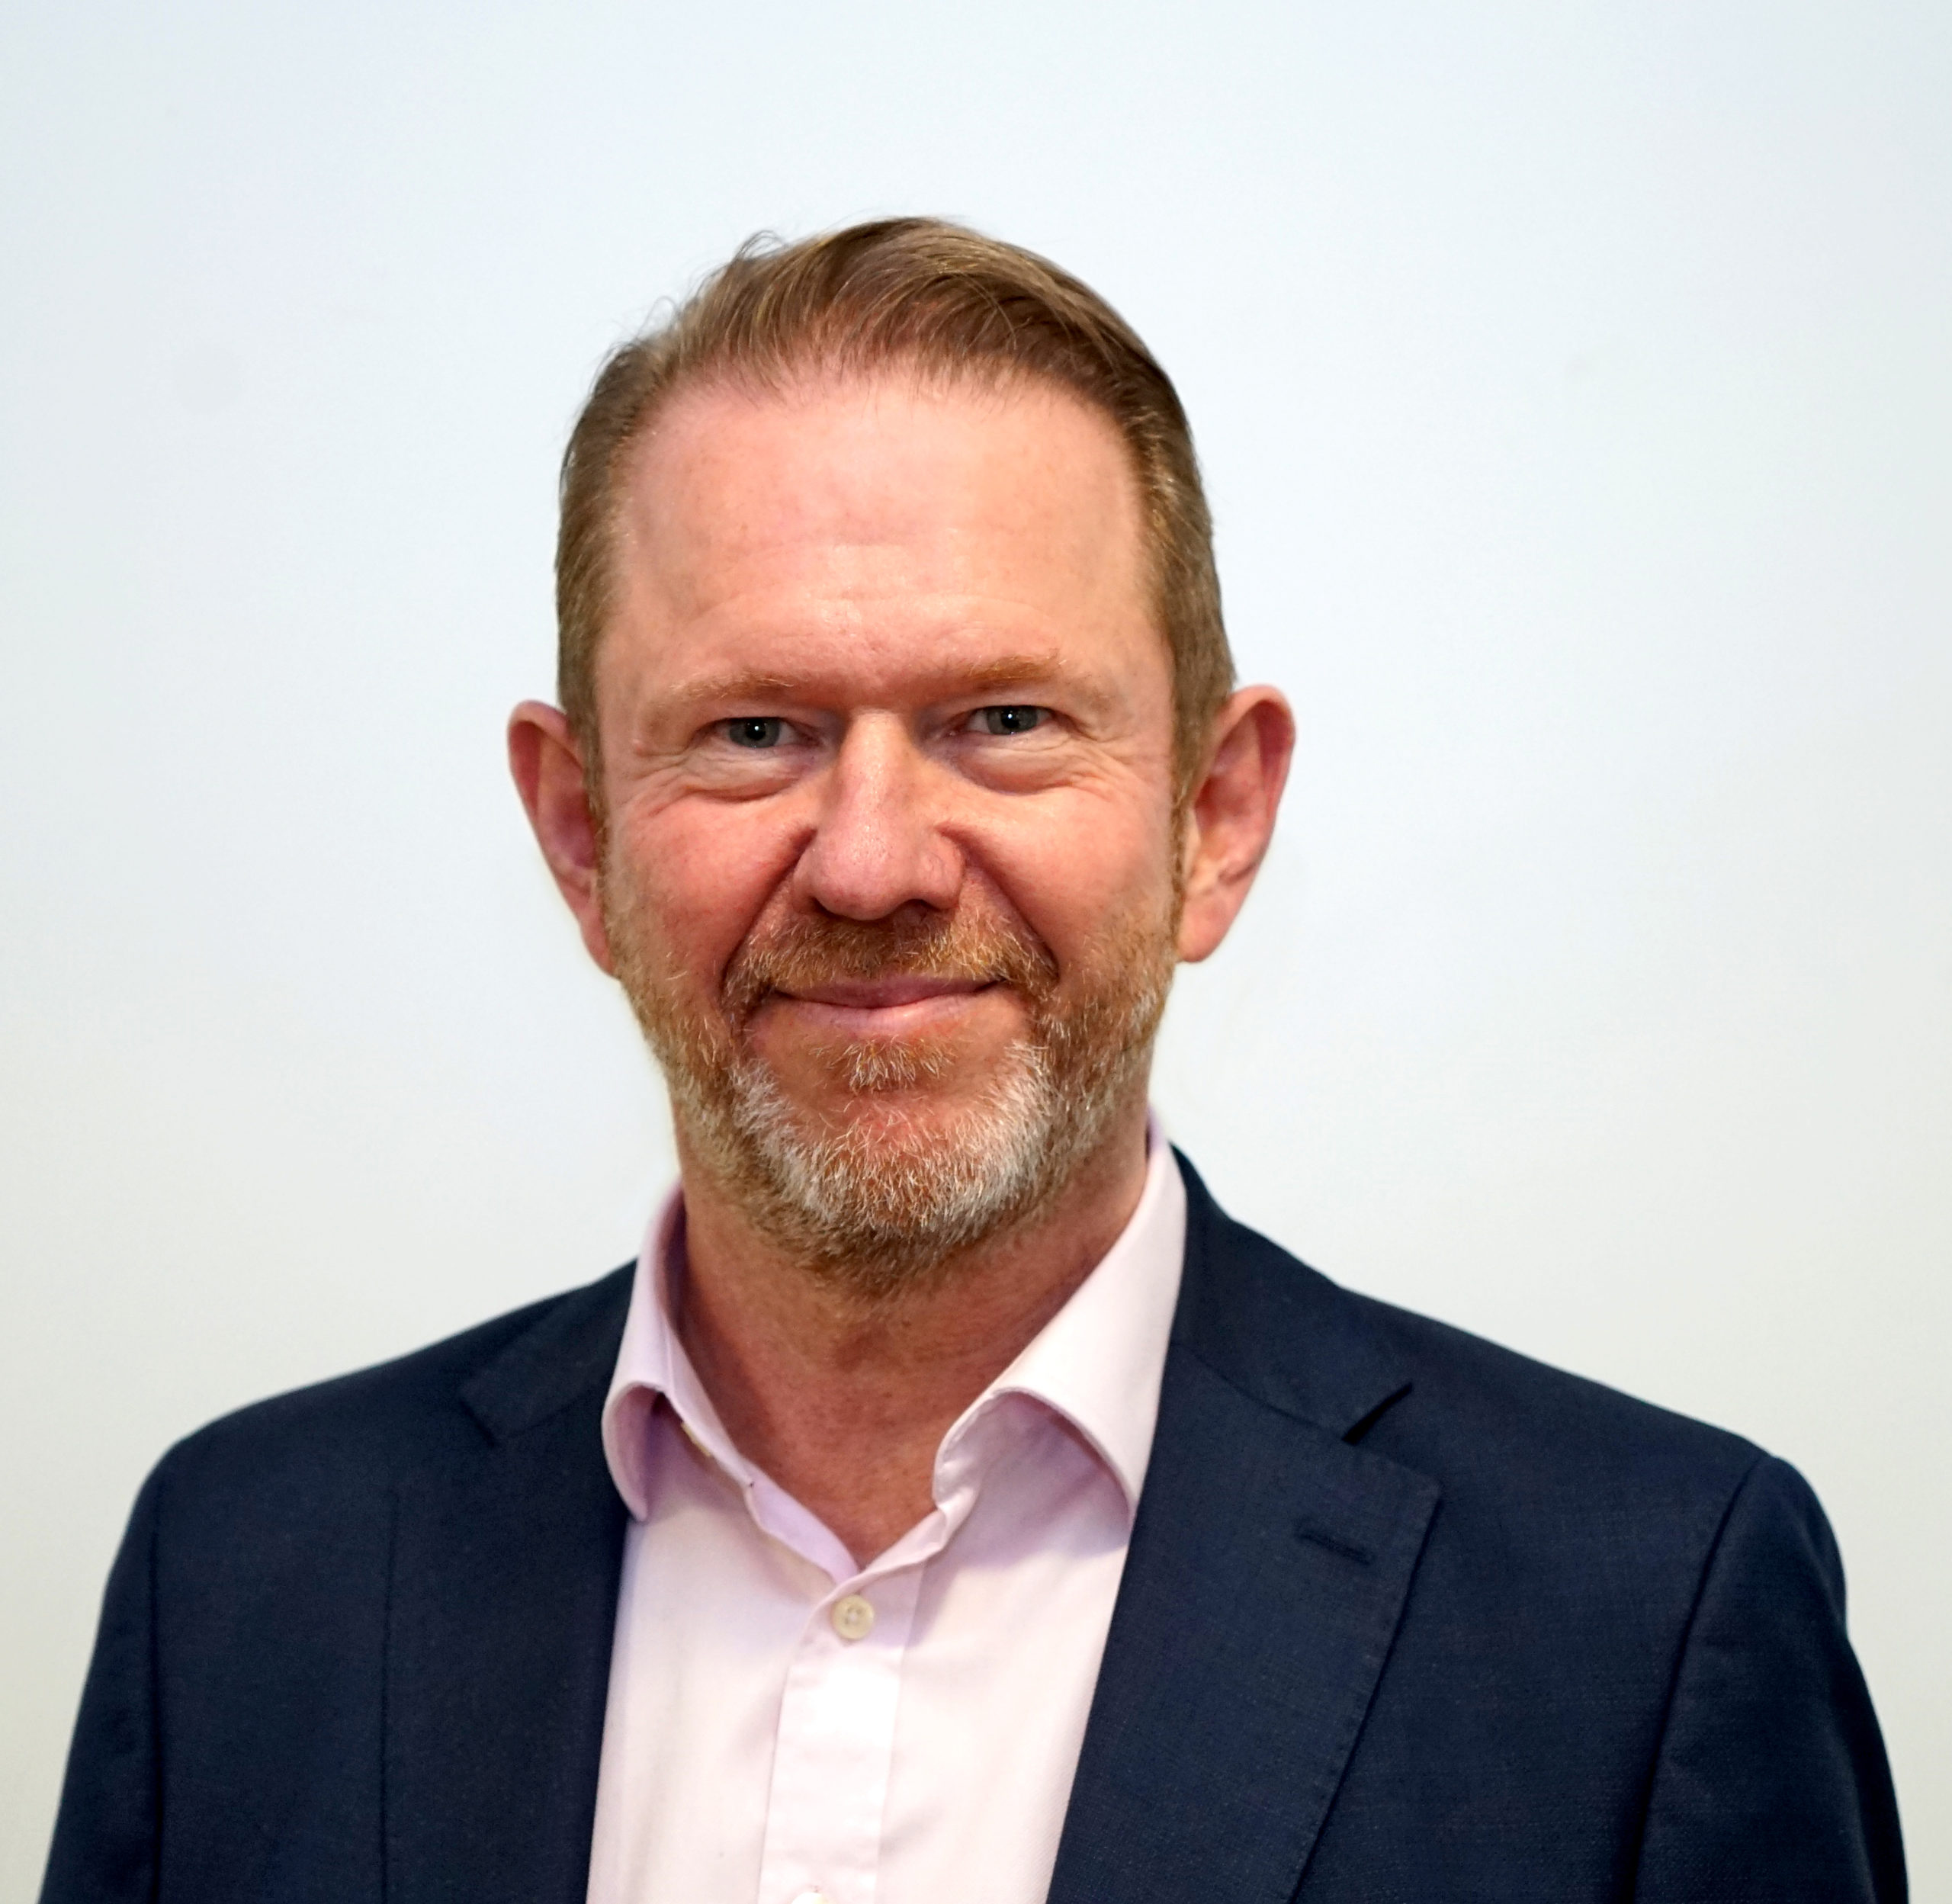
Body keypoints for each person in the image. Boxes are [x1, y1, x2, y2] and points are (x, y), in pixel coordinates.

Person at [41, 219, 1905, 1904]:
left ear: (1212, 816)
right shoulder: (241, 1584)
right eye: (753, 731)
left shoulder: (1642, 1625)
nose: (871, 864)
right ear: (581, 834)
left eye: (1002, 720)